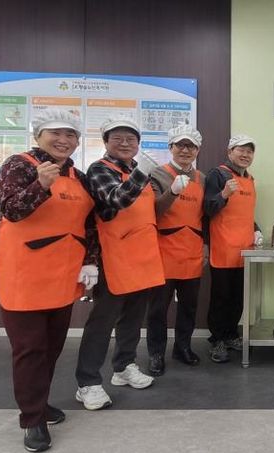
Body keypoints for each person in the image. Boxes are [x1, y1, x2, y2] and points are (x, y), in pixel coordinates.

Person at [0, 109, 97, 452]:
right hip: (24, 275)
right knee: (30, 350)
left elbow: (89, 224)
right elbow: (11, 210)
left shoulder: (79, 176)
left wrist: (91, 260)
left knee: (52, 348)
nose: (63, 140)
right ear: (38, 135)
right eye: (56, 133)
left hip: (63, 275)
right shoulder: (19, 165)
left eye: (71, 135)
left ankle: (39, 403)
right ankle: (32, 419)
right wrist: (40, 185)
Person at [74, 118, 165, 410]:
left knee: (133, 318)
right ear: (106, 142)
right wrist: (142, 173)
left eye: (131, 139)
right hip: (113, 257)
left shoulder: (136, 170)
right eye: (118, 138)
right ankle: (87, 382)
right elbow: (117, 200)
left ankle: (124, 367)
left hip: (142, 256)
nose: (125, 143)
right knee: (102, 322)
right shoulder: (99, 170)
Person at [146, 125, 206, 376]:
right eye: (180, 145)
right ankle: (156, 353)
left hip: (192, 251)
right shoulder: (157, 174)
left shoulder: (202, 178)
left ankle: (183, 347)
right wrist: (172, 192)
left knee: (189, 307)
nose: (185, 150)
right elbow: (154, 211)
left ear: (197, 150)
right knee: (158, 308)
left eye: (191, 146)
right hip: (165, 251)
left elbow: (206, 215)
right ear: (170, 147)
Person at [204, 134, 262, 363]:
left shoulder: (249, 179)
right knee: (221, 297)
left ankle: (230, 335)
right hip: (223, 247)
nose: (245, 155)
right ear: (230, 152)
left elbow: (244, 214)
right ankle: (217, 340)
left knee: (238, 297)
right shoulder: (218, 175)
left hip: (245, 249)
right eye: (241, 150)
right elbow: (208, 208)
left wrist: (256, 229)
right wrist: (224, 194)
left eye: (249, 151)